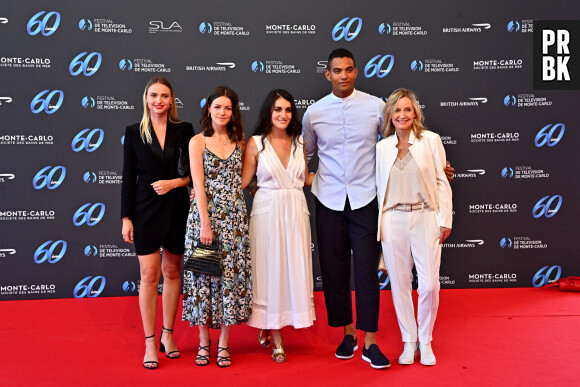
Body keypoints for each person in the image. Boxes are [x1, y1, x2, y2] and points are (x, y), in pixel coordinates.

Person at [302, 48, 454, 370]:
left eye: (348, 69)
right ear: (327, 74)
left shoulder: (374, 106)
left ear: (356, 72)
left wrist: (437, 167)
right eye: (336, 70)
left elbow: (397, 149)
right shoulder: (313, 114)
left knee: (369, 271)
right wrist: (309, 178)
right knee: (334, 270)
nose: (343, 75)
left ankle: (369, 341)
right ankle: (346, 334)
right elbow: (306, 154)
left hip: (366, 200)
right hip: (328, 199)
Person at [121, 77, 194, 370]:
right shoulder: (133, 132)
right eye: (154, 95)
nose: (159, 101)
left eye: (164, 95)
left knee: (173, 271)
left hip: (176, 207)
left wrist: (173, 183)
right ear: (146, 98)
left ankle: (168, 335)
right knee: (150, 275)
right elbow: (128, 178)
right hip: (145, 209)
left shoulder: (184, 130)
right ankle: (150, 341)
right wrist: (126, 217)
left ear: (172, 99)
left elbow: (193, 174)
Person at [376, 88, 452, 366]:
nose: (402, 115)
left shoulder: (430, 141)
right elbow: (378, 188)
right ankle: (409, 340)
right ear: (390, 115)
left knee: (430, 285)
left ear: (415, 113)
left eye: (407, 109)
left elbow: (442, 181)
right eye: (397, 110)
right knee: (400, 285)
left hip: (425, 217)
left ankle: (426, 339)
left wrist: (445, 219)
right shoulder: (381, 148)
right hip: (393, 219)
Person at [241, 89, 316, 363]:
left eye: (287, 110)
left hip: (296, 210)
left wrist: (337, 173)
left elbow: (306, 179)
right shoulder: (256, 143)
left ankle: (269, 323)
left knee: (290, 271)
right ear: (268, 113)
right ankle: (276, 337)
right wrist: (204, 191)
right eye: (277, 110)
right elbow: (243, 181)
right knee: (269, 271)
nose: (283, 115)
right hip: (267, 212)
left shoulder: (299, 143)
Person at [182, 86, 252, 368]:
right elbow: (197, 183)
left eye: (228, 108)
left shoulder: (240, 141)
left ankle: (224, 344)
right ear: (208, 109)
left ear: (233, 112)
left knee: (229, 281)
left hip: (234, 220)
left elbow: (243, 179)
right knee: (202, 280)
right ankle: (203, 343)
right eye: (218, 107)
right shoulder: (197, 142)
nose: (222, 112)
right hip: (204, 221)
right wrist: (206, 223)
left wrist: (231, 196)